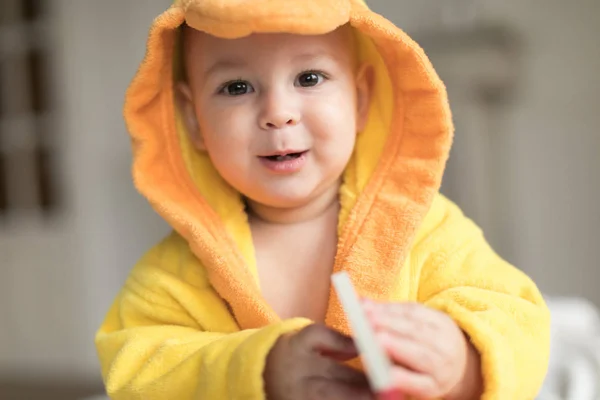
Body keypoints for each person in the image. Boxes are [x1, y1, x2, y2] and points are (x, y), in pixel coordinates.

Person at [95, 0, 550, 399]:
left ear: (361, 98)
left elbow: (518, 318)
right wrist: (258, 371)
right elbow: (137, 369)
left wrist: (462, 363)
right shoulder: (175, 274)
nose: (278, 112)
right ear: (194, 121)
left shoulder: (423, 228)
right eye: (237, 87)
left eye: (309, 77)